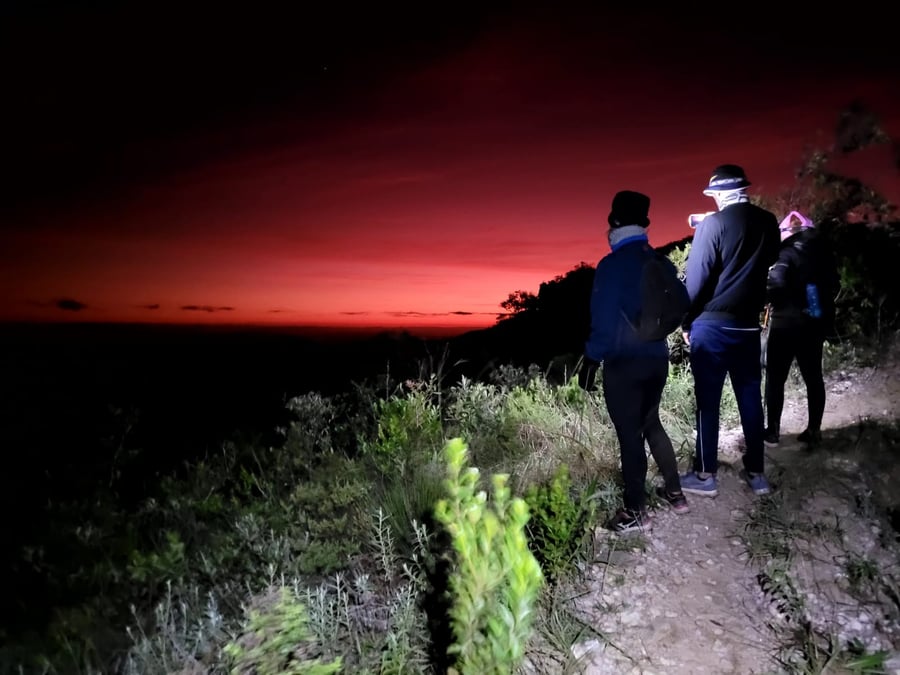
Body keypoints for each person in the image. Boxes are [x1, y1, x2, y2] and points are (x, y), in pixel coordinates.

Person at [580, 190, 690, 534]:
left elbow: (603, 317)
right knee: (651, 422)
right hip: (657, 357)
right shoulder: (659, 260)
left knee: (630, 435)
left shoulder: (612, 266)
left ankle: (635, 511)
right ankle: (675, 493)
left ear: (613, 223)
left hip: (624, 363)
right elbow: (680, 301)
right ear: (644, 224)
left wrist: (590, 359)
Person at [679, 165, 781, 497]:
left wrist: (684, 321)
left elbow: (696, 281)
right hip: (748, 325)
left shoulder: (712, 224)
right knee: (750, 398)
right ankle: (757, 473)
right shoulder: (767, 222)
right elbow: (770, 260)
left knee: (708, 401)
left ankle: (705, 475)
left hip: (712, 325)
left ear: (719, 194)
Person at [763, 212, 840, 448]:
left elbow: (774, 285)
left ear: (787, 232)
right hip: (813, 324)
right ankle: (814, 430)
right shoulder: (823, 253)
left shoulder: (783, 252)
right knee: (813, 377)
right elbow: (834, 284)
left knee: (775, 378)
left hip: (785, 324)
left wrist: (769, 298)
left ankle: (773, 432)